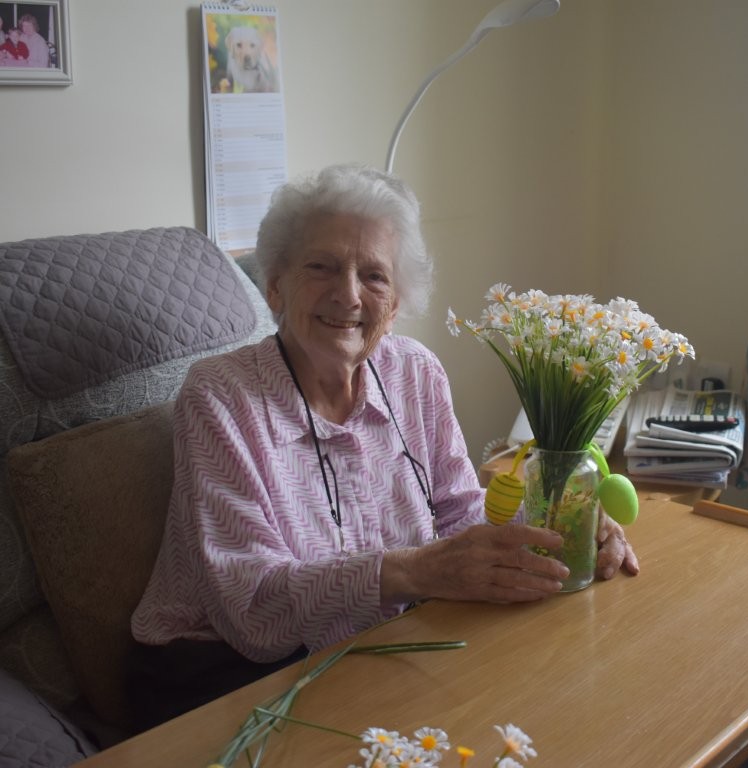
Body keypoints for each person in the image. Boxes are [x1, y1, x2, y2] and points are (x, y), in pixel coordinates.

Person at [129, 164, 638, 731]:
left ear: (395, 304)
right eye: (320, 266)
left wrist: (558, 526)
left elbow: (458, 512)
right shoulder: (221, 396)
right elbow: (252, 611)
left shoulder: (415, 372)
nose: (347, 295)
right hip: (221, 674)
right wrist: (411, 573)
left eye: (374, 276)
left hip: (376, 642)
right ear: (275, 284)